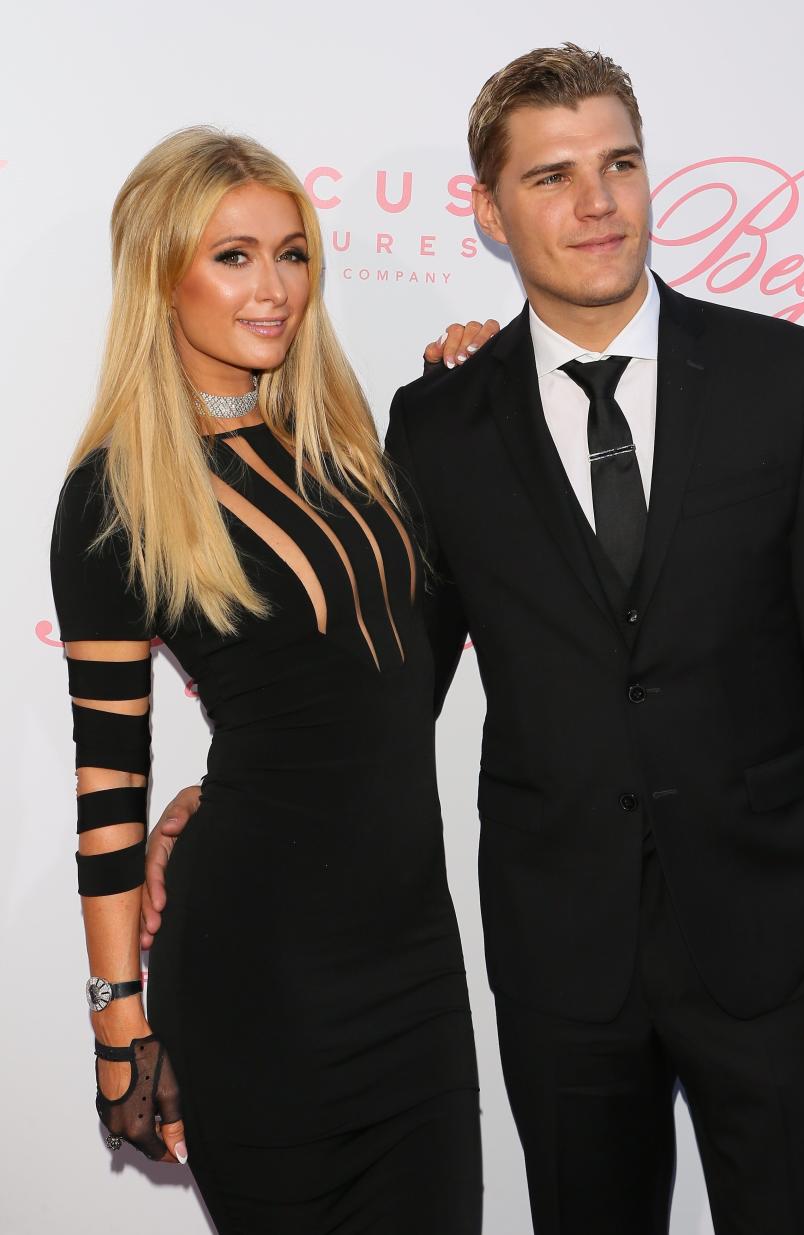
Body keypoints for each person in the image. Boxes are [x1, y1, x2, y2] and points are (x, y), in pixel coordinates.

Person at [148, 47, 804, 1235]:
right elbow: (389, 671)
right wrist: (235, 786)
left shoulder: (782, 375)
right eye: (553, 176)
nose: (598, 202)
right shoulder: (441, 421)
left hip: (785, 950)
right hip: (563, 953)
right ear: (489, 211)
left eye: (619, 163)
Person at [51, 126, 497, 1234]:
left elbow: (397, 678)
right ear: (162, 274)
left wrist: (476, 406)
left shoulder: (346, 450)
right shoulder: (117, 494)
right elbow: (107, 795)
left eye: (292, 253)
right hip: (263, 978)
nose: (275, 287)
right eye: (234, 254)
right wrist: (120, 1031)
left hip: (415, 972)